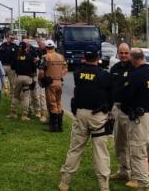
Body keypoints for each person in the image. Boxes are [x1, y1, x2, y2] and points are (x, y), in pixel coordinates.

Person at [58, 50, 112, 191]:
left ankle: (65, 181)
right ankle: (104, 186)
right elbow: (110, 92)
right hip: (98, 116)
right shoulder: (104, 75)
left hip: (81, 113)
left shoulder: (78, 73)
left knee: (75, 148)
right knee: (101, 151)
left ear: (84, 58)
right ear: (98, 58)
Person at [121, 49, 149, 190]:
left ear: (133, 60)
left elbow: (126, 97)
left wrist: (126, 108)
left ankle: (143, 184)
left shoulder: (135, 75)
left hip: (142, 118)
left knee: (138, 152)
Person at [109, 43, 133, 181]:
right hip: (116, 109)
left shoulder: (134, 68)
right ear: (117, 53)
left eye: (126, 53)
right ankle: (123, 170)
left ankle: (135, 174)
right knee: (119, 143)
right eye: (121, 53)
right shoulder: (115, 68)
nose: (123, 55)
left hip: (129, 111)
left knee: (132, 144)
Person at [39, 39, 68, 132]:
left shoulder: (45, 57)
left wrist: (42, 79)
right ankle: (60, 126)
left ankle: (53, 126)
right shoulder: (61, 57)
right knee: (58, 102)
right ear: (54, 47)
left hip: (50, 83)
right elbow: (65, 69)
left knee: (52, 103)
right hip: (59, 82)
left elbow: (41, 71)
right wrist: (59, 76)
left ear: (46, 47)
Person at [10, 37, 38, 120]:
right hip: (27, 78)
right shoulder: (29, 56)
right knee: (26, 96)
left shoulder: (17, 56)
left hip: (18, 77)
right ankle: (24, 115)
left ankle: (13, 112)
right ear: (26, 48)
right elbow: (34, 68)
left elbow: (12, 67)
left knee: (16, 95)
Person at [32, 38, 48, 122]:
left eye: (41, 44)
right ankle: (37, 111)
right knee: (36, 92)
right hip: (37, 71)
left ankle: (43, 113)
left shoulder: (47, 52)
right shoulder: (36, 51)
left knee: (42, 94)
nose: (40, 45)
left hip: (44, 72)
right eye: (39, 44)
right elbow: (33, 59)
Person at [0, 34, 17, 100]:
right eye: (10, 37)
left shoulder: (15, 46)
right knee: (1, 82)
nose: (11, 39)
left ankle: (12, 96)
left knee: (12, 83)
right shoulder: (2, 45)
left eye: (12, 38)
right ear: (7, 38)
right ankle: (1, 95)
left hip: (11, 67)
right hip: (3, 66)